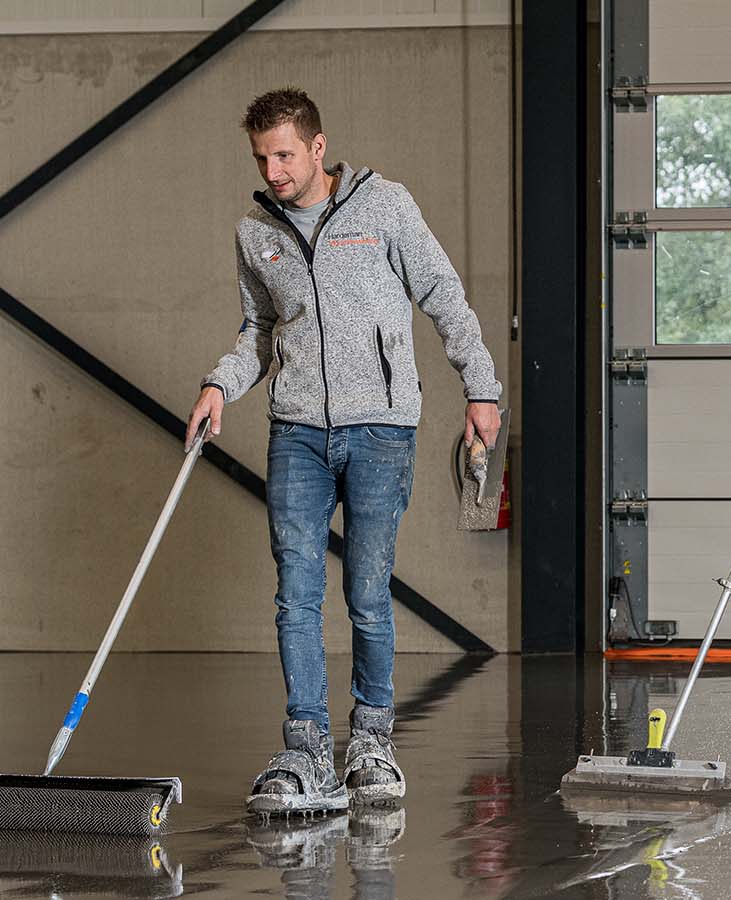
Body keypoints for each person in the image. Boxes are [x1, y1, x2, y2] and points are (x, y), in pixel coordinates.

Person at [187, 88, 503, 813]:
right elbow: (259, 332)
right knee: (295, 594)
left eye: (286, 154)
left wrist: (479, 388)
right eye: (263, 157)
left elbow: (444, 295)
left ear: (318, 148)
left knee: (366, 590)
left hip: (381, 426)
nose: (274, 170)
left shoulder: (385, 206)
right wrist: (220, 385)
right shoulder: (254, 232)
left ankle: (371, 741)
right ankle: (304, 749)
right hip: (296, 428)